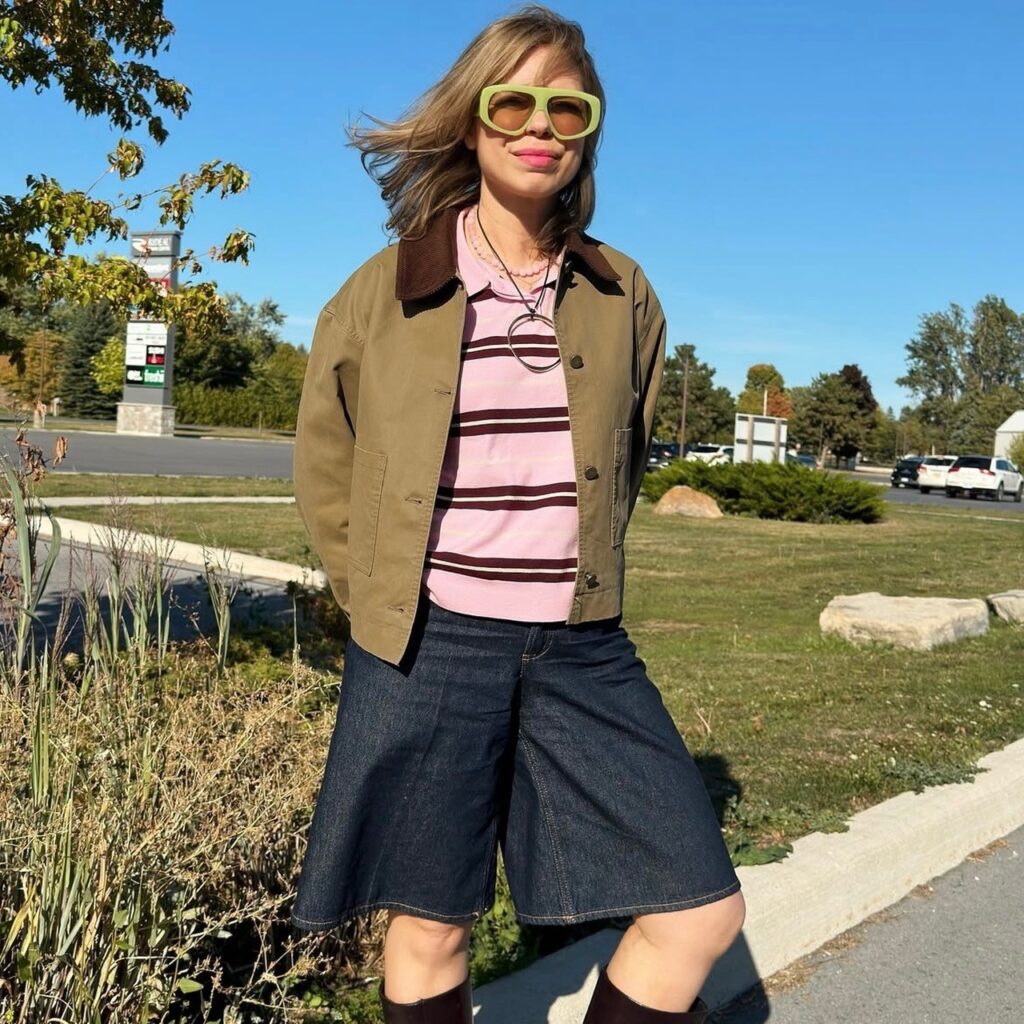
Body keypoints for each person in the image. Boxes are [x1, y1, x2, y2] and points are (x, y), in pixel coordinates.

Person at [289, 6, 745, 1022]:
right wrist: (378, 600)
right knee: (431, 926)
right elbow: (326, 460)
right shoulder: (385, 290)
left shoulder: (622, 293)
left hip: (581, 646)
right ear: (472, 119)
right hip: (428, 643)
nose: (540, 125)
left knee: (700, 914)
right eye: (513, 102)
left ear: (588, 130)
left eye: (567, 108)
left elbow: (621, 456)